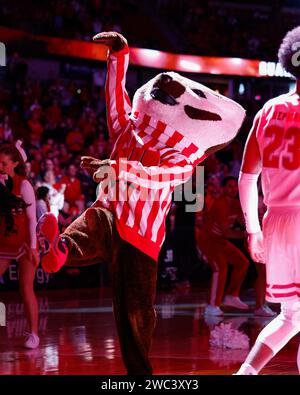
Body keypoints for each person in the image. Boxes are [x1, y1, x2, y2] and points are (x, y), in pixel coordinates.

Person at [235, 26, 300, 375]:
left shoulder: (267, 112)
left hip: (276, 221)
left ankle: (245, 373)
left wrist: (253, 229)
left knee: (292, 316)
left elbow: (247, 178)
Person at [0, 142, 40, 348]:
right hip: (5, 242)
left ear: (15, 163)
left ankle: (33, 334)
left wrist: (33, 247)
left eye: (4, 163)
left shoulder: (24, 185)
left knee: (26, 288)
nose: (0, 166)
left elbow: (32, 219)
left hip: (25, 243)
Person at [197, 176, 250, 315]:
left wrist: (250, 231)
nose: (232, 189)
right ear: (223, 188)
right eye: (229, 186)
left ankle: (231, 296)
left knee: (242, 263)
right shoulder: (220, 204)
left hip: (220, 241)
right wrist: (245, 235)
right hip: (208, 240)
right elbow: (227, 232)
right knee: (221, 268)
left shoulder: (237, 204)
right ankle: (211, 306)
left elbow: (245, 223)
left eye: (235, 186)